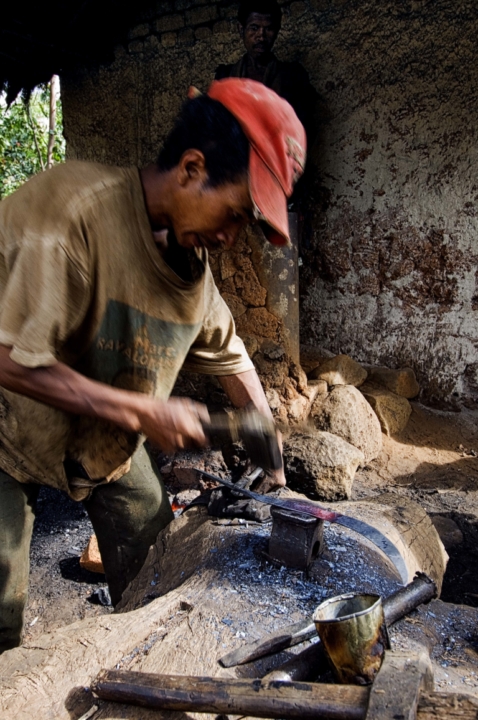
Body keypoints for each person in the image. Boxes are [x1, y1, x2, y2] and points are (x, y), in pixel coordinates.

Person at [0, 78, 306, 653]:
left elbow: (228, 351)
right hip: (6, 426)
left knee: (158, 577)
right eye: (234, 213)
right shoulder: (70, 214)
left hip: (99, 441)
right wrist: (143, 412)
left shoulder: (189, 263)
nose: (231, 237)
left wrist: (268, 446)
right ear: (191, 168)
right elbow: (8, 361)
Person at [215, 0, 316, 153]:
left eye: (268, 29)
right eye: (254, 28)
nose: (261, 37)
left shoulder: (292, 77)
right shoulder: (225, 77)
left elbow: (304, 129)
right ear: (241, 30)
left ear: (277, 31)